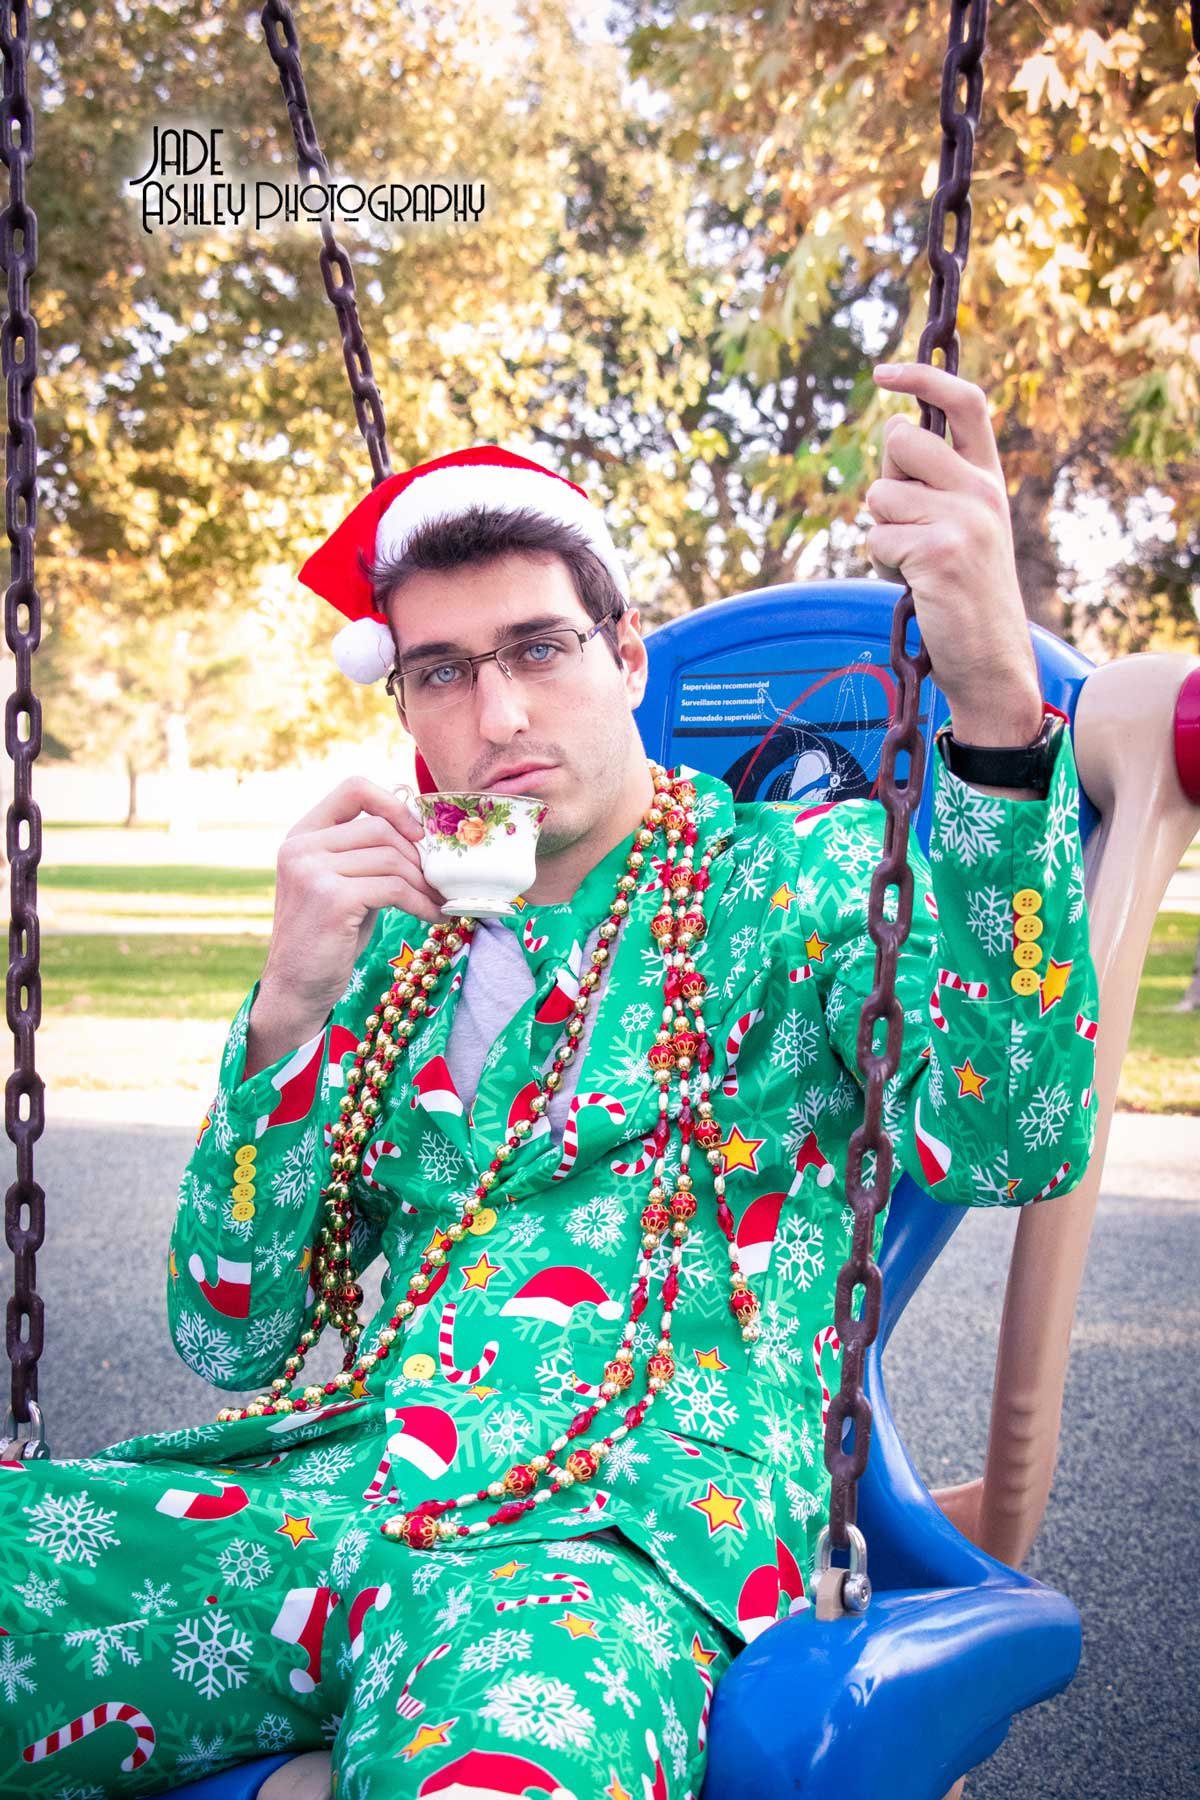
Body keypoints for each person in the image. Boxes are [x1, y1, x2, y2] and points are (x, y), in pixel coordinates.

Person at [1, 364, 1099, 1800]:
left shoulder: (806, 884)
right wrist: (287, 1011)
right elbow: (231, 1331)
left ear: (629, 660)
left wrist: (1001, 710)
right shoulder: (389, 950)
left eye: (539, 648)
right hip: (324, 1501)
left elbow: (1018, 1136)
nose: (499, 712)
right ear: (404, 706)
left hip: (607, 1547)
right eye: (443, 671)